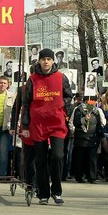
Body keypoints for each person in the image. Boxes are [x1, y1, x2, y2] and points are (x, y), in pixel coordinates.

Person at [21, 48, 73, 205]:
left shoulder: (61, 78)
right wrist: (25, 125)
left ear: (53, 61)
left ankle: (56, 191)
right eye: (43, 59)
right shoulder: (32, 80)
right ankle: (43, 193)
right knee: (40, 160)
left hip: (57, 123)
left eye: (49, 59)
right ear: (39, 61)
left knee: (58, 156)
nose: (46, 62)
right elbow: (26, 103)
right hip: (38, 124)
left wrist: (64, 109)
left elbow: (69, 97)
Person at [71, 97, 105, 183]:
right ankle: (79, 176)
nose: (93, 103)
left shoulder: (96, 111)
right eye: (91, 101)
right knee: (80, 158)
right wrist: (84, 119)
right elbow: (76, 122)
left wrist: (100, 135)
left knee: (92, 159)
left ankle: (92, 177)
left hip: (93, 138)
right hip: (81, 138)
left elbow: (99, 124)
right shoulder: (78, 109)